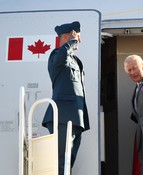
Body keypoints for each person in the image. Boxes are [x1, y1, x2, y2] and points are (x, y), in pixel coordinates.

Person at [42, 21, 90, 175]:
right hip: (62, 116)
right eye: (77, 37)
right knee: (60, 162)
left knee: (68, 162)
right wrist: (71, 42)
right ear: (67, 36)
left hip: (76, 117)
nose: (79, 41)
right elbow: (61, 57)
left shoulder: (76, 61)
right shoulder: (57, 54)